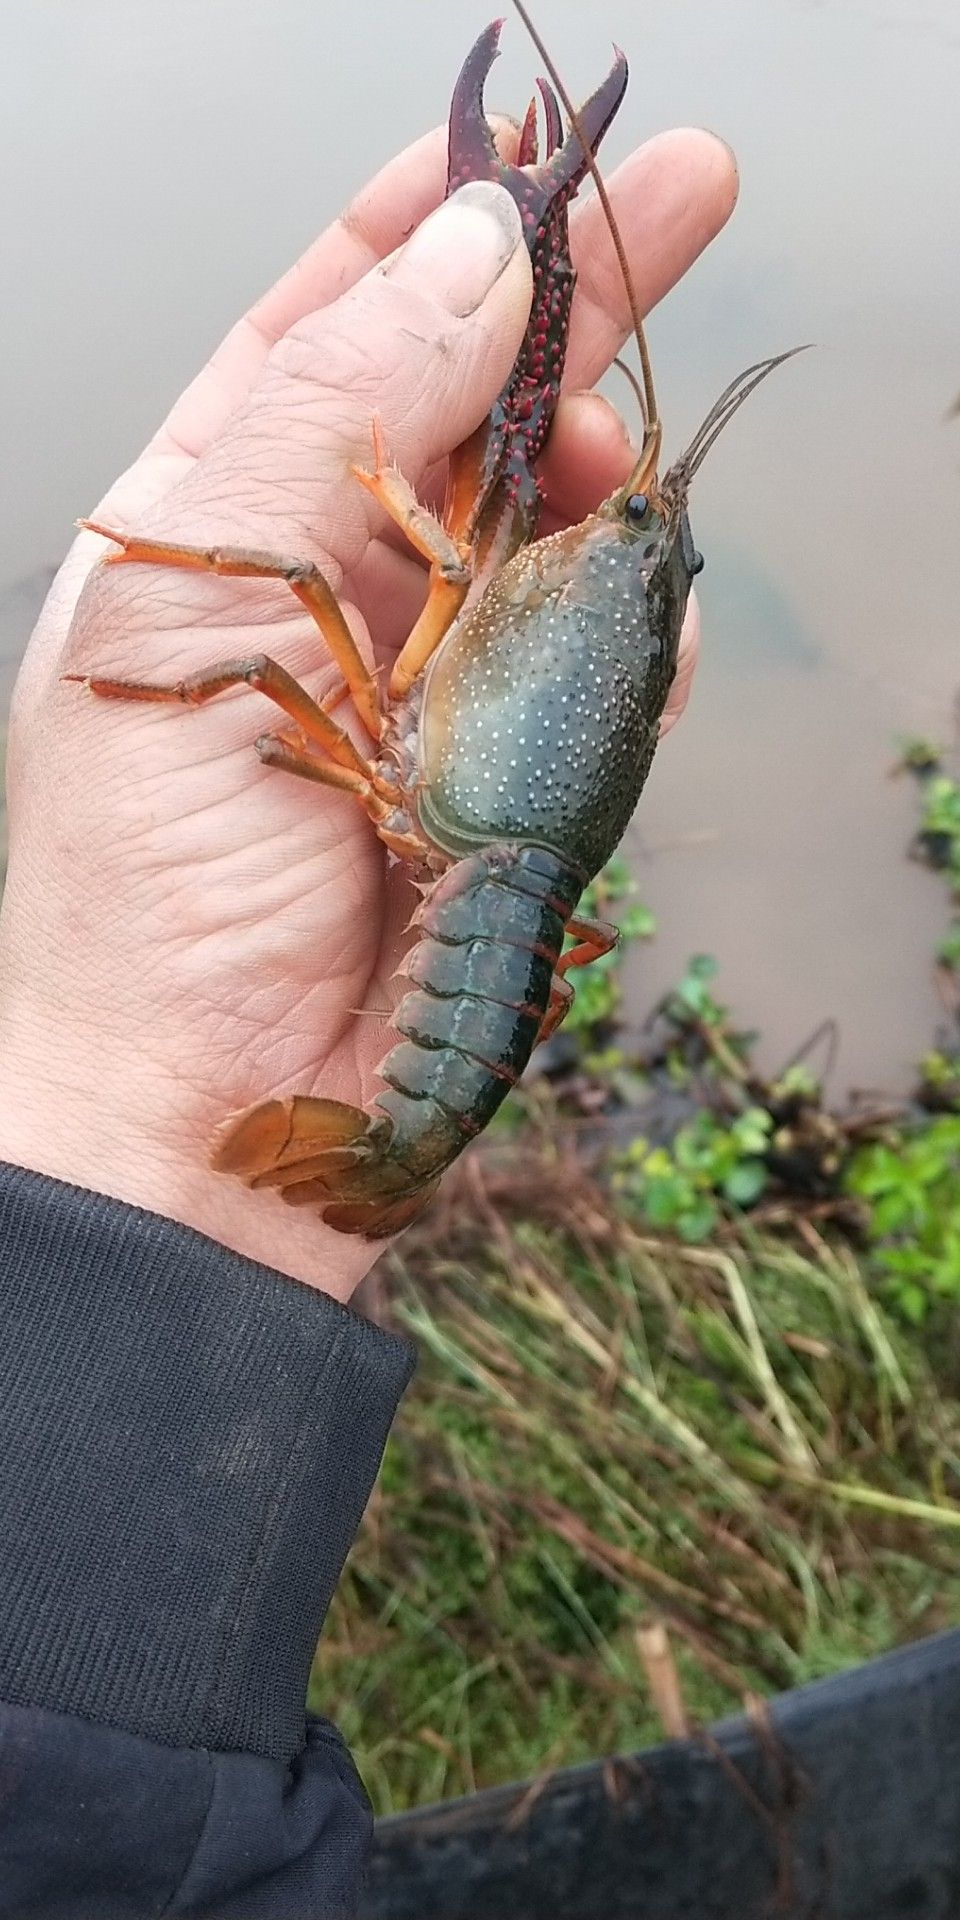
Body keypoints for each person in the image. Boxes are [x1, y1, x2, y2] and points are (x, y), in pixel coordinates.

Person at [0, 109, 736, 1918]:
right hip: (482, 908)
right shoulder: (579, 612)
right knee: (510, 491)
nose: (631, 532)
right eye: (653, 542)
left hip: (462, 918)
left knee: (388, 550)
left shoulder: (516, 609)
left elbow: (340, 583)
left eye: (648, 548)